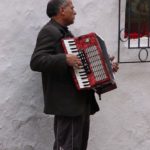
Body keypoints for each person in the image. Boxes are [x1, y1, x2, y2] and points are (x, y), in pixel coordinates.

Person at [30, 0, 119, 150]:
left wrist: (106, 65)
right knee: (67, 146)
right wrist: (64, 59)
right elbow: (36, 61)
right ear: (62, 10)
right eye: (72, 8)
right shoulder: (49, 31)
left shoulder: (65, 33)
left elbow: (80, 64)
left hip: (78, 103)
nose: (75, 11)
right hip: (67, 105)